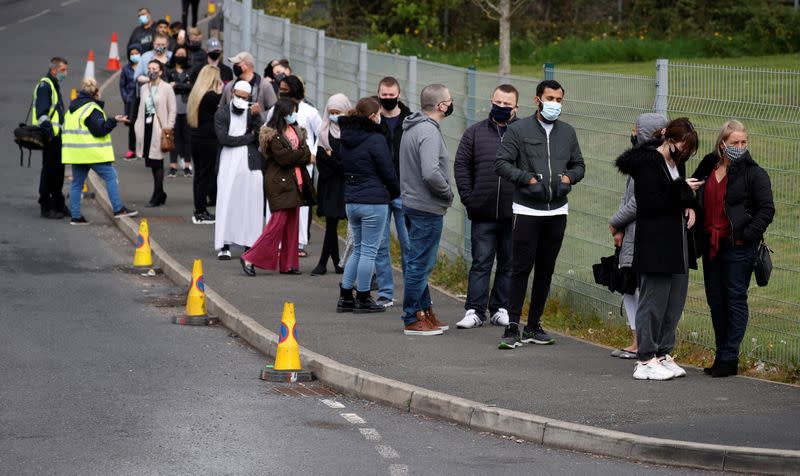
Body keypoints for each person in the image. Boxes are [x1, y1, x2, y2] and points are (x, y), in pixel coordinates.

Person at [494, 79, 585, 349]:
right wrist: (528, 181)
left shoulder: (567, 132)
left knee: (546, 270)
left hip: (557, 210)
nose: (554, 104)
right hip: (526, 210)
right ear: (537, 100)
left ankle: (534, 325)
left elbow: (579, 165)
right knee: (521, 268)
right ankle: (512, 326)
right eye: (550, 98)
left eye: (559, 99)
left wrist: (568, 178)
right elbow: (501, 162)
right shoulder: (519, 130)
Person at [615, 117, 700, 381]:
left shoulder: (678, 164)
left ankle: (663, 352)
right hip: (655, 242)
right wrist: (681, 190)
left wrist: (689, 203)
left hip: (677, 240)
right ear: (669, 140)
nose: (685, 153)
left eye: (689, 149)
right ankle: (645, 358)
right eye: (683, 146)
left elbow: (677, 196)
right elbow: (650, 203)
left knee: (674, 300)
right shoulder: (649, 163)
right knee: (653, 299)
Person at [691, 120, 775, 378]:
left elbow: (767, 209)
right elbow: (691, 191)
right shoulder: (709, 167)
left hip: (738, 247)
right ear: (722, 144)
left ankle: (729, 357)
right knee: (716, 301)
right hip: (711, 245)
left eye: (743, 142)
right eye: (734, 142)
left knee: (735, 299)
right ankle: (721, 355)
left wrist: (747, 235)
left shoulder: (754, 173)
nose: (740, 147)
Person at [453, 84, 519, 329]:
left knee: (509, 263)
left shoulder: (523, 133)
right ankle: (474, 310)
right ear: (491, 101)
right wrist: (470, 199)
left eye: (507, 104)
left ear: (516, 107)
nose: (501, 107)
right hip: (482, 212)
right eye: (498, 102)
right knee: (481, 261)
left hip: (514, 213)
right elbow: (461, 166)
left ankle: (501, 308)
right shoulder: (474, 133)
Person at [607, 113, 668, 359]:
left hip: (640, 233)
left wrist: (615, 222)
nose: (633, 133)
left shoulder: (648, 163)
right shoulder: (641, 161)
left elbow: (637, 201)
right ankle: (637, 340)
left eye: (636, 129)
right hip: (630, 232)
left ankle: (642, 343)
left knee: (638, 289)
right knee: (630, 287)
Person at [397, 84, 455, 336]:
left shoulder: (412, 128)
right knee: (420, 264)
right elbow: (430, 172)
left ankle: (425, 311)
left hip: (412, 203)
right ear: (441, 105)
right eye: (449, 100)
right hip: (426, 207)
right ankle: (412, 316)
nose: (451, 104)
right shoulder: (428, 132)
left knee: (417, 262)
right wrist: (447, 192)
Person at [335, 98, 400, 313]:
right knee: (369, 252)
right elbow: (387, 170)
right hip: (373, 200)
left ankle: (346, 295)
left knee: (358, 249)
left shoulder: (346, 137)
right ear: (373, 117)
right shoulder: (375, 138)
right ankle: (363, 297)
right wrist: (394, 191)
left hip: (352, 199)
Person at [241, 98, 314, 276]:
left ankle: (289, 264)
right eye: (291, 112)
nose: (294, 115)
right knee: (277, 224)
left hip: (296, 182)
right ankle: (250, 257)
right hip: (279, 183)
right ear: (283, 114)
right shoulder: (272, 134)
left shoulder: (297, 130)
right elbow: (285, 158)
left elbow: (302, 152)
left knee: (292, 223)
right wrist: (302, 155)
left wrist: (299, 154)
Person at [62, 78, 138, 224]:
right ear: (96, 92)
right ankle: (118, 209)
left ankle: (76, 217)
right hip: (92, 153)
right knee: (110, 176)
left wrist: (111, 119)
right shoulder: (92, 108)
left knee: (77, 183)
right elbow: (99, 130)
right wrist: (114, 121)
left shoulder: (73, 108)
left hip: (76, 154)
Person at [372, 76, 413, 308]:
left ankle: (412, 291)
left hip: (404, 191)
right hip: (378, 192)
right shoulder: (372, 121)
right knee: (380, 245)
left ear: (399, 94)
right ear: (378, 94)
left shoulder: (410, 120)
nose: (388, 99)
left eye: (391, 95)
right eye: (384, 95)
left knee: (408, 244)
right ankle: (386, 292)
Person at [272, 75, 322, 259]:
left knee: (300, 205)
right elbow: (268, 131)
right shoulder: (276, 110)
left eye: (286, 88)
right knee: (280, 203)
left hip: (303, 165)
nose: (282, 91)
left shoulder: (309, 111)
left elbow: (321, 132)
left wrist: (314, 155)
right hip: (281, 166)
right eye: (281, 88)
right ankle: (278, 242)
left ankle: (298, 243)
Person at [214, 81, 264, 260]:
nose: (241, 100)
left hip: (250, 163)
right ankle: (224, 244)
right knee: (227, 200)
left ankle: (249, 243)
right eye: (239, 96)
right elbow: (224, 139)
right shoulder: (221, 112)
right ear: (233, 92)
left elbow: (260, 136)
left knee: (250, 203)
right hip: (229, 161)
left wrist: (257, 118)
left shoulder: (252, 112)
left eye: (245, 97)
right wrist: (249, 137)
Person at [311, 94, 351, 276]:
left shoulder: (350, 132)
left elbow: (347, 164)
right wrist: (334, 160)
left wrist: (332, 158)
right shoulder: (323, 132)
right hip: (329, 185)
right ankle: (328, 263)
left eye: (338, 112)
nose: (334, 115)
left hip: (345, 185)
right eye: (331, 112)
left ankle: (333, 263)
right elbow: (321, 161)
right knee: (331, 223)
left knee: (339, 223)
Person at [135, 60, 177, 208]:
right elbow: (141, 108)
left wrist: (168, 127)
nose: (151, 71)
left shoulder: (166, 88)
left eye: (154, 68)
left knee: (158, 161)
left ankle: (157, 195)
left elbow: (172, 109)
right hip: (146, 128)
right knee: (151, 162)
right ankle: (161, 193)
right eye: (149, 68)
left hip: (159, 129)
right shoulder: (144, 88)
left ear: (160, 72)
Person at [32, 57, 68, 219]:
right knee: (49, 171)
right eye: (63, 70)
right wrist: (50, 134)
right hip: (50, 137)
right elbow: (42, 115)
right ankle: (46, 206)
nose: (65, 74)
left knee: (58, 171)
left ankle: (58, 203)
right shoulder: (45, 86)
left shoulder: (53, 85)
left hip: (57, 136)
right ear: (54, 70)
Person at [187, 65, 223, 225]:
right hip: (208, 140)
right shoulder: (211, 97)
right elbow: (222, 110)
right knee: (205, 177)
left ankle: (199, 209)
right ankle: (201, 211)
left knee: (199, 176)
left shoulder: (197, 94)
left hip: (196, 138)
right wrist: (220, 92)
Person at [219, 52, 277, 119]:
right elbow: (221, 109)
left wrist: (258, 115)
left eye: (237, 64)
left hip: (256, 127)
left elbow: (274, 110)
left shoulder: (264, 85)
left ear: (245, 66)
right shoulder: (229, 86)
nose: (234, 66)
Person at [166, 46, 193, 178]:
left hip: (187, 108)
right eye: (178, 54)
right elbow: (166, 86)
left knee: (187, 138)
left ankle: (187, 166)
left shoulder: (190, 71)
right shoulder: (169, 71)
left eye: (183, 54)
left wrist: (176, 85)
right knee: (173, 137)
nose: (181, 56)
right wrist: (183, 86)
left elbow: (192, 86)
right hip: (173, 109)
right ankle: (173, 166)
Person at [119, 44, 141, 161]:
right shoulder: (126, 69)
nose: (134, 56)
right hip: (131, 101)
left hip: (143, 100)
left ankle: (144, 150)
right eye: (132, 54)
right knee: (132, 125)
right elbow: (122, 85)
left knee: (145, 126)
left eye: (136, 53)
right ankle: (132, 150)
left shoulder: (145, 67)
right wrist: (126, 98)